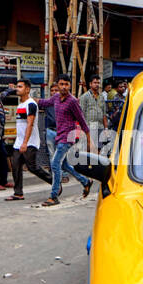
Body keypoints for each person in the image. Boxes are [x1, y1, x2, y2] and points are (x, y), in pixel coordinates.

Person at [42, 74, 93, 207]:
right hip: (59, 136)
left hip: (67, 138)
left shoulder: (72, 101)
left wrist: (89, 139)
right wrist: (29, 98)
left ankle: (54, 196)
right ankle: (85, 181)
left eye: (66, 84)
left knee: (55, 164)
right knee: (63, 165)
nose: (64, 87)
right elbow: (44, 103)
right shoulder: (56, 98)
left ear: (70, 85)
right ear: (58, 85)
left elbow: (81, 120)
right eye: (61, 84)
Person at [7, 78, 51, 200]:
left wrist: (25, 143)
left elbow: (30, 124)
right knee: (15, 165)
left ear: (27, 89)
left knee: (33, 167)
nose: (17, 89)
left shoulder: (31, 104)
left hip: (30, 142)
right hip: (19, 142)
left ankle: (54, 183)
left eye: (20, 87)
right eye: (17, 86)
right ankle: (18, 193)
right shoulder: (20, 104)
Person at [79, 74, 108, 151]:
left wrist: (106, 129)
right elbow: (81, 115)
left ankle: (96, 163)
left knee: (99, 149)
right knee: (89, 148)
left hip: (100, 127)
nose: (97, 85)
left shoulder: (101, 97)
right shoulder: (84, 97)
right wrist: (82, 130)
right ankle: (88, 163)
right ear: (90, 84)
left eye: (98, 83)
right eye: (95, 83)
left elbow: (104, 114)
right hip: (89, 127)